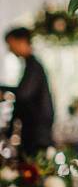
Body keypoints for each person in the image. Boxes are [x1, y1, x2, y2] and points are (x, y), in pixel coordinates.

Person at [1, 27, 55, 155]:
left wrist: (4, 92)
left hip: (37, 133)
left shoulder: (34, 66)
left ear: (22, 41)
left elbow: (24, 94)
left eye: (10, 44)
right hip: (35, 131)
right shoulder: (30, 64)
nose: (10, 49)